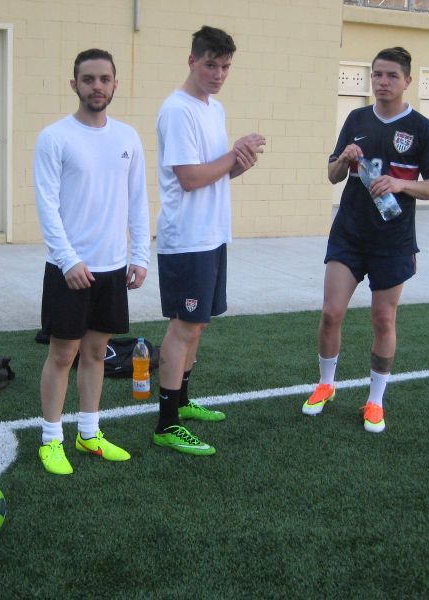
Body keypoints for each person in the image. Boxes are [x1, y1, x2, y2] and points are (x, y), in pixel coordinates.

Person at [301, 47, 429, 433]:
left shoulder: (422, 128)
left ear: (407, 81)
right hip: (349, 235)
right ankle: (326, 384)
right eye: (377, 74)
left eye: (392, 75)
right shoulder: (356, 119)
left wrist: (401, 184)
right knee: (331, 313)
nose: (383, 82)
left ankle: (375, 400)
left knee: (384, 319)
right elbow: (333, 175)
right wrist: (343, 160)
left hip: (393, 241)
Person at [33, 49, 150, 474]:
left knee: (97, 353)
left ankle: (89, 433)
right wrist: (68, 261)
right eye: (88, 79)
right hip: (69, 269)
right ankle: (51, 440)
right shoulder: (55, 137)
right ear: (75, 85)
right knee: (63, 355)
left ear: (115, 84)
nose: (96, 86)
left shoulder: (127, 138)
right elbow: (47, 206)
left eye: (104, 79)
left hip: (112, 267)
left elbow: (137, 200)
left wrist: (139, 255)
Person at [152, 26, 266, 455]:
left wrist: (239, 163)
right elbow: (189, 177)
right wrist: (231, 155)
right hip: (187, 238)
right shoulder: (177, 110)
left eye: (225, 67)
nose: (218, 74)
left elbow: (213, 172)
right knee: (183, 326)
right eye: (211, 65)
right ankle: (167, 423)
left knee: (197, 325)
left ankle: (182, 401)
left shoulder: (213, 109)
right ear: (192, 61)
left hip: (212, 233)